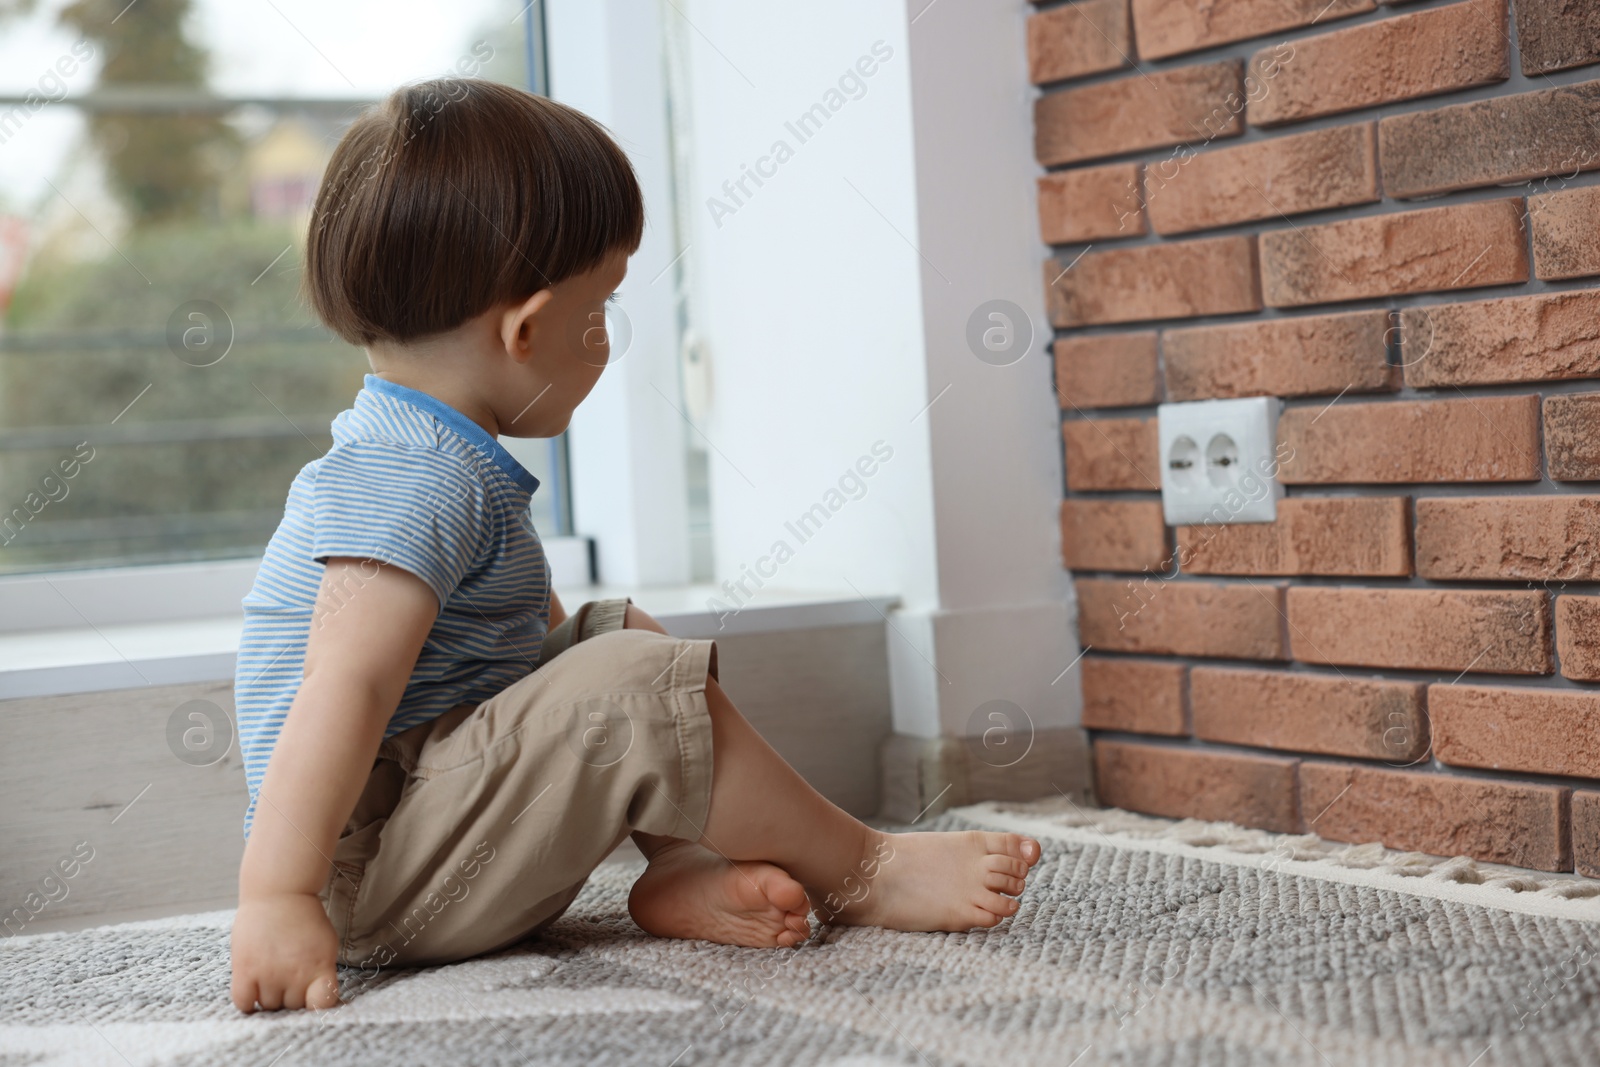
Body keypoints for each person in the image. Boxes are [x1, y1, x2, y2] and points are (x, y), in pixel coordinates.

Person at [228, 77, 1041, 1013]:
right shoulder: (419, 477)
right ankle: (863, 870)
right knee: (630, 678)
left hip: (420, 817)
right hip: (375, 881)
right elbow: (342, 684)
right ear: (527, 330)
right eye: (601, 308)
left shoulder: (432, 448)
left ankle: (686, 860)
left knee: (614, 634)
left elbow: (517, 654)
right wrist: (280, 896)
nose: (606, 341)